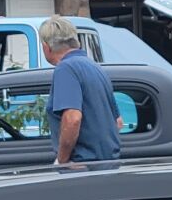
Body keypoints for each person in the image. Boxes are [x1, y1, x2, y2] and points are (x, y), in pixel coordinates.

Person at [40, 15, 122, 164]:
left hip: (83, 166)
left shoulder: (66, 69)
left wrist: (62, 160)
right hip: (108, 163)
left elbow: (72, 119)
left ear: (46, 47)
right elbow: (118, 122)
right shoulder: (96, 68)